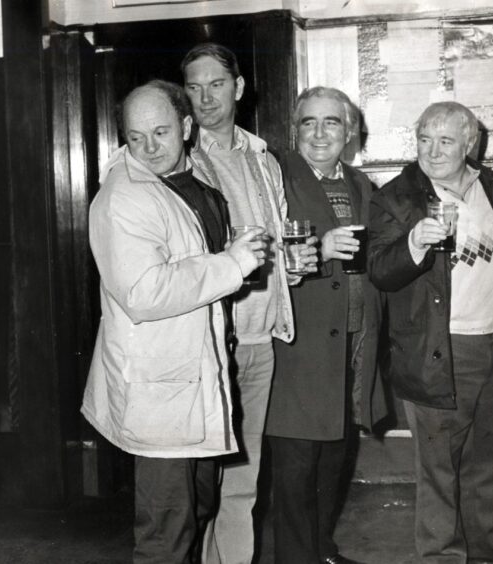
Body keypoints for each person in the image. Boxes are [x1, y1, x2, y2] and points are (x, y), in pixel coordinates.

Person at [81, 79, 267, 564]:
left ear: (186, 127)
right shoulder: (122, 198)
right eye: (136, 136)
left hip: (195, 377)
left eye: (161, 132)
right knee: (166, 533)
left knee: (199, 508)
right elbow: (144, 293)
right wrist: (231, 265)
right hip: (160, 390)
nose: (148, 148)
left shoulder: (192, 181)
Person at [368, 101, 493, 564]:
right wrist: (413, 243)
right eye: (424, 139)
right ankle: (442, 557)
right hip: (442, 349)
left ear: (470, 144)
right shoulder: (397, 197)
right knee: (440, 468)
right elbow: (379, 272)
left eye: (445, 140)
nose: (432, 150)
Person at [182, 43, 318, 564]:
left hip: (260, 337)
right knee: (198, 484)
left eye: (216, 84)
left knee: (242, 480)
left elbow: (280, 238)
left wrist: (295, 262)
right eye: (194, 88)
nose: (205, 98)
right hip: (209, 340)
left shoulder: (262, 157)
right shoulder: (181, 160)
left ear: (238, 88)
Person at [265, 86, 388, 564]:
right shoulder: (277, 180)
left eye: (331, 122)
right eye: (308, 123)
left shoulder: (361, 186)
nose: (319, 133)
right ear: (294, 132)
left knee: (333, 462)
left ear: (350, 132)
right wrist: (318, 249)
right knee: (296, 471)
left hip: (351, 347)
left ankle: (321, 551)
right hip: (301, 350)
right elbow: (260, 256)